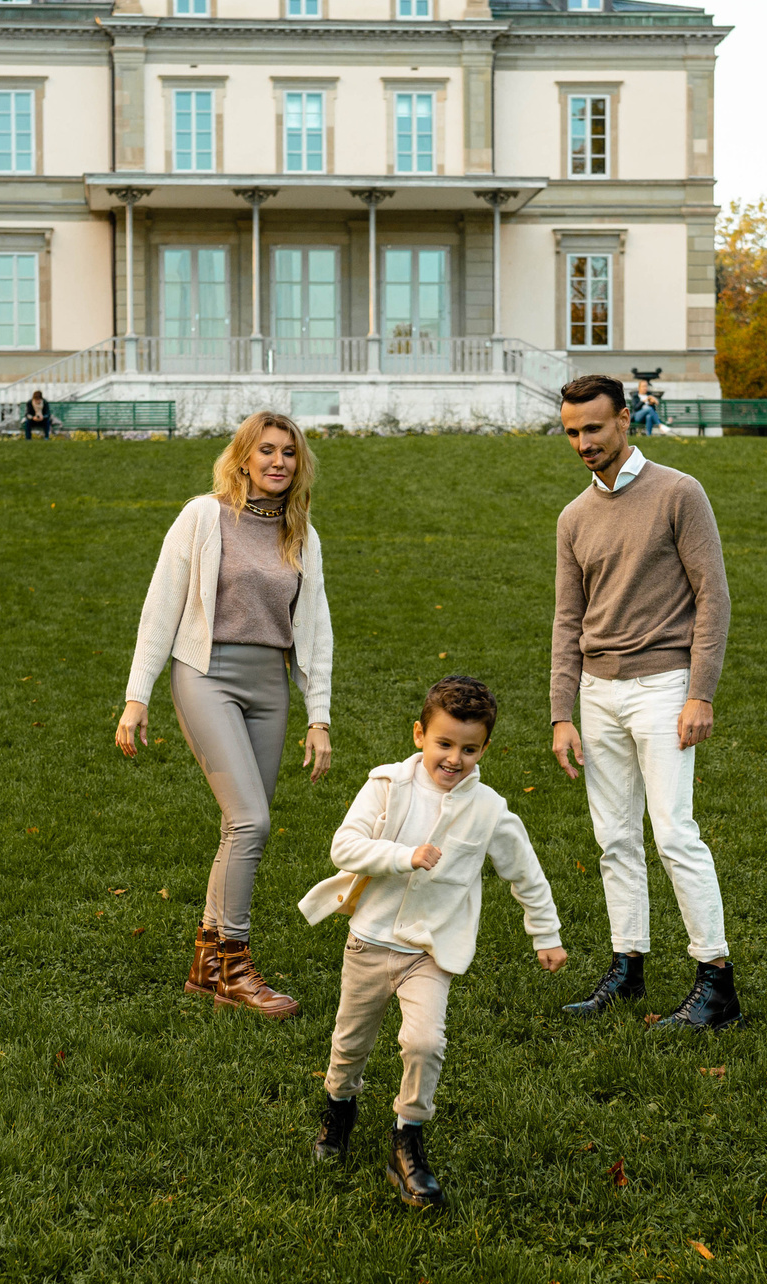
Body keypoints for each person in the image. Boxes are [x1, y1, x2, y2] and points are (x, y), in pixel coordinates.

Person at [298, 676, 565, 1207]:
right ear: (420, 734)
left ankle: (407, 1136)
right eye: (444, 743)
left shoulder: (489, 810)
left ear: (485, 748)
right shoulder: (387, 785)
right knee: (351, 1043)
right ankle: (339, 1110)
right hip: (369, 941)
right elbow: (344, 846)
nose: (454, 758)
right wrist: (404, 855)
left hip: (430, 952)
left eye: (469, 749)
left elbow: (526, 874)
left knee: (424, 1043)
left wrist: (547, 934)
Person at [117, 411, 334, 1018]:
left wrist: (319, 716)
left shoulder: (302, 534)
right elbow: (161, 604)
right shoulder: (203, 515)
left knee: (240, 827)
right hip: (206, 676)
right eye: (265, 450)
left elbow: (314, 630)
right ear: (243, 457)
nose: (277, 463)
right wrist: (139, 696)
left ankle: (205, 966)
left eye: (289, 453)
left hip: (271, 686)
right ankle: (235, 967)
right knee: (251, 823)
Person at [549, 372, 738, 1030]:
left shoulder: (679, 493)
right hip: (598, 695)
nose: (583, 443)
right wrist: (562, 712)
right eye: (572, 432)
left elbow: (713, 597)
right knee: (615, 840)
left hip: (664, 688)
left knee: (674, 833)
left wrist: (699, 693)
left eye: (594, 428)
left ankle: (716, 980)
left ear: (625, 420)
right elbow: (566, 620)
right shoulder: (573, 517)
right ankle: (627, 968)